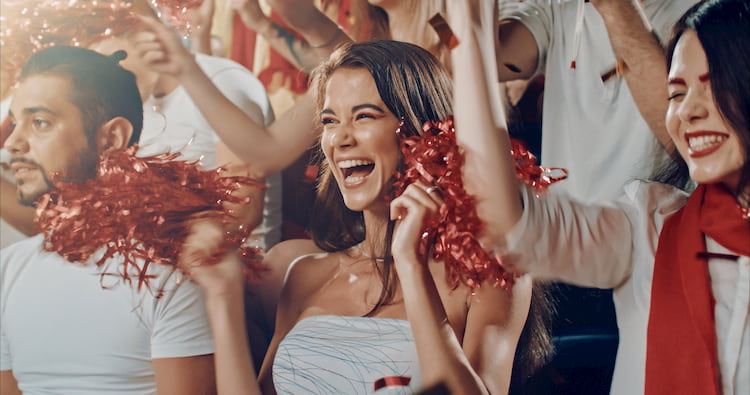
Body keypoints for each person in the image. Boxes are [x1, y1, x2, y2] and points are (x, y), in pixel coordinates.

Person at [182, 39, 551, 395]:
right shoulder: (303, 275)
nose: (340, 138)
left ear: (426, 133)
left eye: (364, 116)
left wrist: (410, 264)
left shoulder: (489, 275)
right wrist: (222, 298)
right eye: (329, 121)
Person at [450, 0, 749, 394]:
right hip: (568, 276)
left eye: (713, 86)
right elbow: (504, 219)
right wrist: (468, 28)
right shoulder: (649, 227)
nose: (687, 111)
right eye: (675, 93)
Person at [0, 46, 216, 394]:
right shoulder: (8, 269)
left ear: (111, 138)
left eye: (39, 122)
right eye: (14, 122)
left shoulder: (168, 272)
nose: (12, 142)